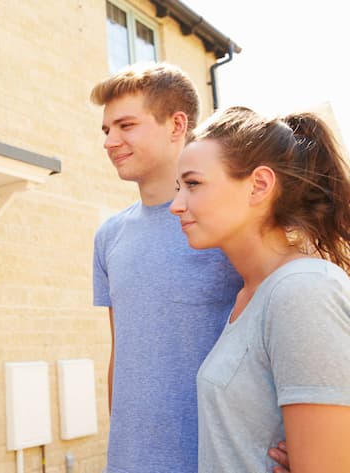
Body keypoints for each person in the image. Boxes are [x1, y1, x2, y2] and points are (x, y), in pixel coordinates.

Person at [89, 63, 289, 473]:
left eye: (125, 125)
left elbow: (296, 335)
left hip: (224, 459)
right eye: (106, 130)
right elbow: (122, 353)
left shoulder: (230, 222)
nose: (110, 141)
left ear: (176, 124)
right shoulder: (108, 237)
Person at [170, 106, 350, 473]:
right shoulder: (250, 295)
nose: (176, 205)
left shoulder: (302, 291)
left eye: (193, 184)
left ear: (259, 185)